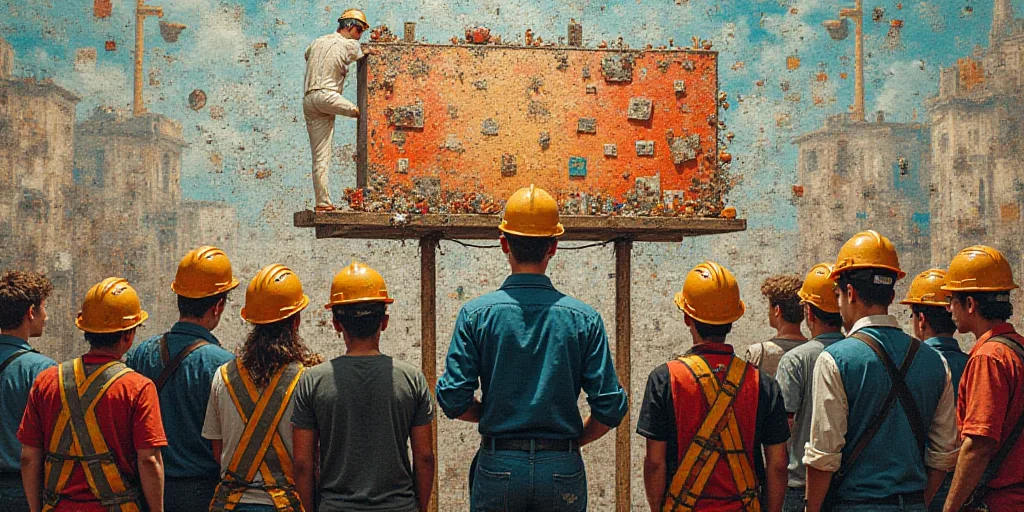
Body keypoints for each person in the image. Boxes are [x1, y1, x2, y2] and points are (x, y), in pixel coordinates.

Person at [436, 185, 628, 511]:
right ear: (553, 246)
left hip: (499, 463)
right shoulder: (585, 319)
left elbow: (453, 398)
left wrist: (493, 413)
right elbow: (610, 407)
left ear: (503, 244)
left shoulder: (476, 315)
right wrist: (571, 440)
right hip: (561, 465)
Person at [803, 231, 958, 512]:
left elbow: (823, 457)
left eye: (838, 295)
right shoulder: (936, 361)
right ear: (892, 293)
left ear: (849, 293)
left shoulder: (834, 360)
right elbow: (944, 455)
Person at [638, 261, 790, 512]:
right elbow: (778, 464)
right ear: (733, 320)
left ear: (688, 318)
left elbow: (655, 462)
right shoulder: (762, 384)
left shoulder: (665, 379)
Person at [291, 261, 435, 512]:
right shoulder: (412, 379)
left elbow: (303, 463)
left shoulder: (312, 382)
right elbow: (424, 457)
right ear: (385, 322)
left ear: (337, 324)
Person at [19, 277, 166, 512]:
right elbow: (149, 460)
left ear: (86, 330)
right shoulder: (138, 388)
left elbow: (28, 457)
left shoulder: (46, 382)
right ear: (128, 336)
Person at [124, 246, 239, 511]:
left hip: (147, 491)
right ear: (218, 306)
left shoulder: (142, 353)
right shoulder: (224, 365)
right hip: (202, 493)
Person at [203, 264, 322, 511]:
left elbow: (218, 452)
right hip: (285, 505)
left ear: (252, 322)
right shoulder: (308, 380)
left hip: (230, 505)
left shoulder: (222, 376)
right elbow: (308, 461)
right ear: (296, 321)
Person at [939, 246, 1024, 512]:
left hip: (1000, 502)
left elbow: (978, 445)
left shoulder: (988, 358)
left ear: (970, 304)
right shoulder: (1018, 348)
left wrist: (950, 508)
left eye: (952, 298)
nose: (949, 307)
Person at [774, 264, 844, 512]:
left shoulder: (795, 360)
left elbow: (782, 429)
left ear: (809, 313)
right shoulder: (858, 355)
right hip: (846, 487)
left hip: (800, 487)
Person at [899, 269, 967, 512]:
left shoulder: (907, 368)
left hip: (917, 493)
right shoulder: (972, 364)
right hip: (966, 491)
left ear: (921, 319)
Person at [0, 271, 57, 512]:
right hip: (23, 489)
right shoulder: (42, 370)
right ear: (30, 312)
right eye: (44, 308)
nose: (46, 316)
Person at [303, 8, 369, 211]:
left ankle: (322, 203)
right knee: (363, 114)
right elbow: (362, 52)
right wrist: (367, 51)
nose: (360, 35)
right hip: (328, 96)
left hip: (309, 100)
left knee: (320, 157)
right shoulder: (349, 44)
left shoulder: (317, 41)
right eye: (359, 30)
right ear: (349, 27)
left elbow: (307, 55)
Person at [744, 275, 807, 376]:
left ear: (777, 310)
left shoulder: (757, 353)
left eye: (769, 307)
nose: (768, 312)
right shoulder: (814, 351)